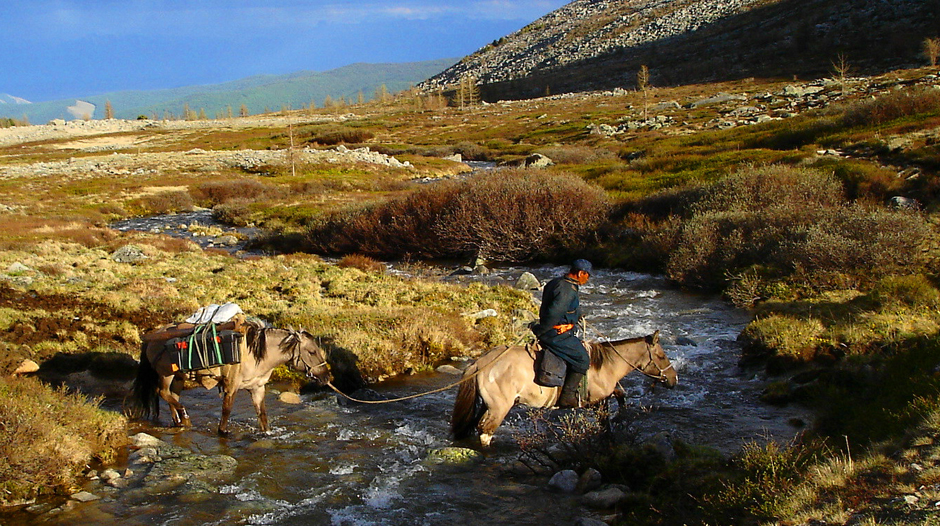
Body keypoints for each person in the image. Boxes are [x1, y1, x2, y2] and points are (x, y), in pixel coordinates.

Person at [530, 259, 592, 408]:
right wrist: (541, 331)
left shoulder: (556, 282)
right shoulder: (567, 290)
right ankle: (567, 397)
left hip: (555, 329)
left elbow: (562, 308)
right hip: (555, 334)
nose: (587, 279)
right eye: (587, 275)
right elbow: (554, 313)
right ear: (580, 273)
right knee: (583, 359)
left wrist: (577, 316)